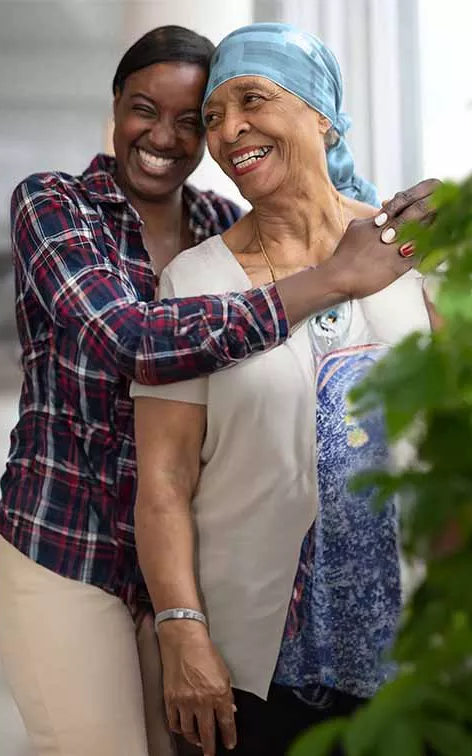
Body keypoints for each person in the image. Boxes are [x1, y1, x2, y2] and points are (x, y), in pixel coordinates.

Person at [130, 23, 441, 756]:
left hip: (417, 658)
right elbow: (165, 482)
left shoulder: (414, 249)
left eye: (253, 100)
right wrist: (183, 632)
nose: (230, 129)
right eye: (213, 116)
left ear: (323, 114)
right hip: (252, 670)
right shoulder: (194, 282)